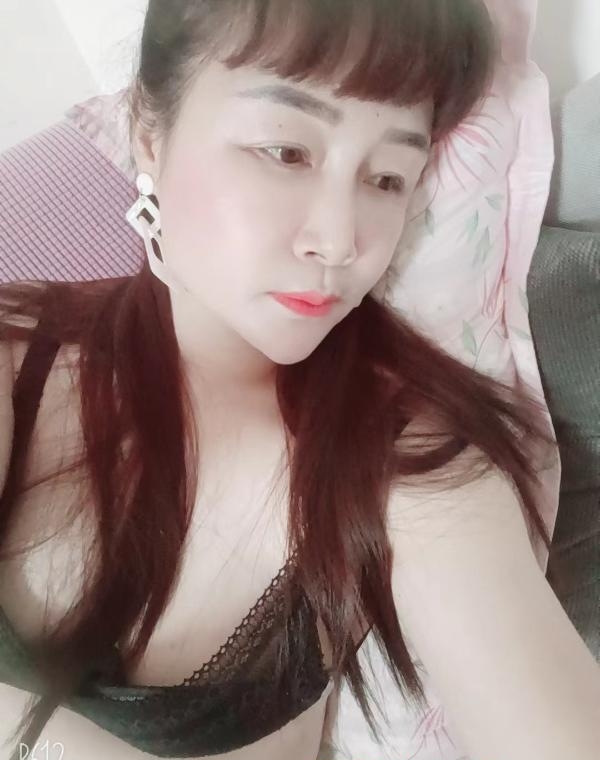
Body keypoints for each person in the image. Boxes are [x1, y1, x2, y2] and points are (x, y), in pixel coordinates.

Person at [0, 1, 599, 759]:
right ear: (150, 134)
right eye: (286, 151)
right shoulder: (16, 358)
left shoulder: (408, 466)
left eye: (387, 178)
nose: (341, 241)